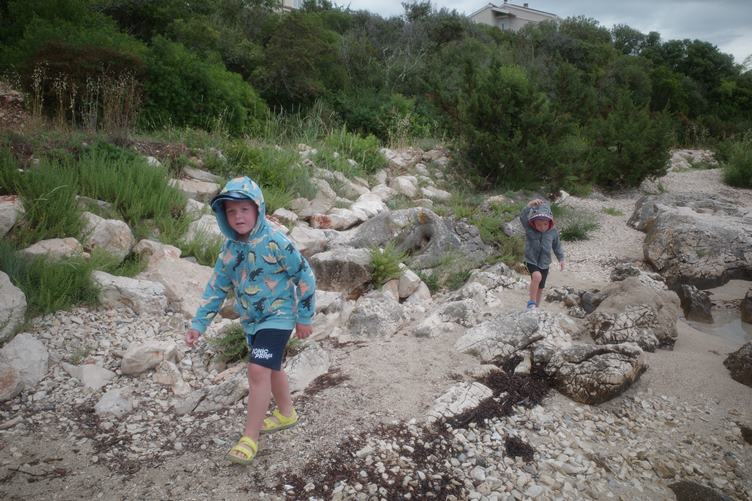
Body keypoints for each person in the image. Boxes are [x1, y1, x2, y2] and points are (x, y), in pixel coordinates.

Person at [184, 176, 316, 466]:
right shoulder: (229, 250)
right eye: (231, 211)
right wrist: (198, 324)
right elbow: (216, 288)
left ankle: (250, 438)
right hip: (251, 321)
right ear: (223, 216)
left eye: (244, 209)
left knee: (257, 370)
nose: (238, 216)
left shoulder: (276, 241)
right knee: (271, 366)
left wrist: (305, 316)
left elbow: (305, 275)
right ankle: (286, 413)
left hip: (279, 316)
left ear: (258, 208)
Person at [520, 198, 564, 309]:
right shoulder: (529, 229)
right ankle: (531, 302)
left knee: (540, 287)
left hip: (545, 263)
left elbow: (557, 246)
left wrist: (561, 259)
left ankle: (536, 308)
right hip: (530, 260)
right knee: (537, 276)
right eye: (539, 224)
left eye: (545, 224)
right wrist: (529, 205)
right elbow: (522, 217)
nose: (542, 227)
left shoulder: (553, 232)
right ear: (533, 222)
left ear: (550, 221)